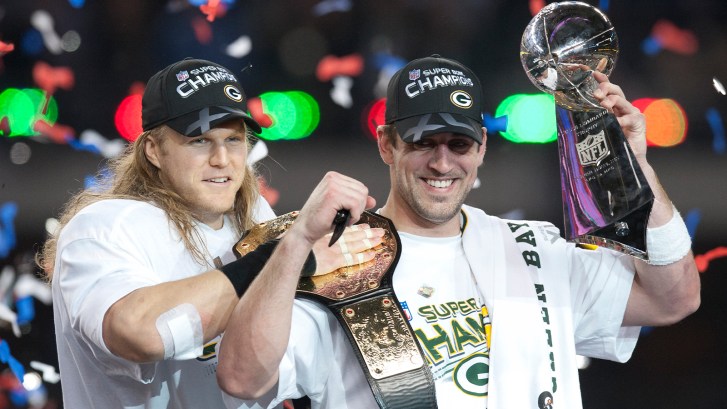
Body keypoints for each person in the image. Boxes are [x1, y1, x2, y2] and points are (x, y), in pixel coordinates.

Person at [215, 55, 701, 409]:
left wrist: (631, 168)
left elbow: (674, 298)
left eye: (459, 143)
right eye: (423, 142)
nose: (443, 162)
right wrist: (297, 243)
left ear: (483, 147)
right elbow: (241, 380)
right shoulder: (334, 257)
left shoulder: (533, 248)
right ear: (387, 144)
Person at [38, 57, 382, 408]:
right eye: (199, 140)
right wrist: (287, 255)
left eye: (233, 139)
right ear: (153, 150)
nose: (222, 158)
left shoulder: (252, 215)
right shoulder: (103, 227)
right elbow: (137, 332)